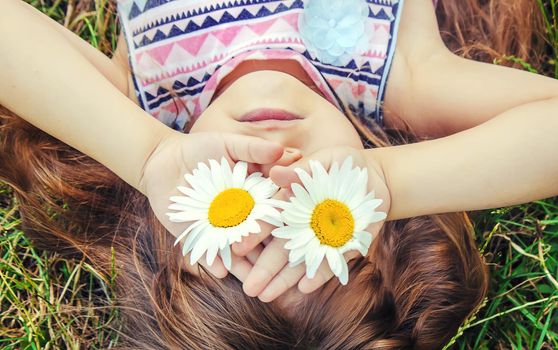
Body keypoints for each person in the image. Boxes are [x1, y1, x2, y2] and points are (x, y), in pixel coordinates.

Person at [0, 0, 555, 348]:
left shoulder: (143, 101)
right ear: (384, 224)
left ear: (174, 229)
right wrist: (390, 180)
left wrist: (146, 155)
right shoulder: (401, 82)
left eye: (240, 212)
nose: (273, 164)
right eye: (314, 219)